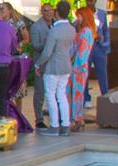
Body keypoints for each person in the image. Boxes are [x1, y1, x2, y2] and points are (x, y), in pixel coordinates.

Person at [35, 5, 76, 136]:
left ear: (56, 13)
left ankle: (54, 126)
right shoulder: (72, 29)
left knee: (50, 95)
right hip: (66, 65)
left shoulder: (54, 30)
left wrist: (38, 64)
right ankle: (65, 125)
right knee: (61, 95)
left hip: (53, 67)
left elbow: (47, 52)